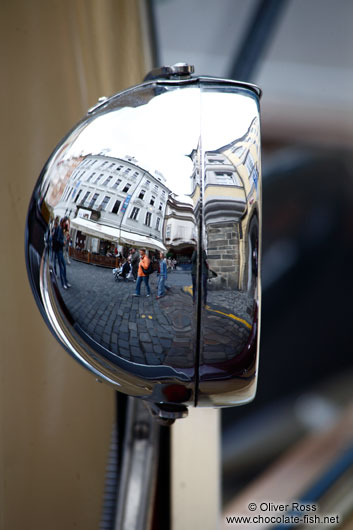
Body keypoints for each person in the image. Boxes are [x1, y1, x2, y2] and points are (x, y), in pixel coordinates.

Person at [52, 218, 71, 289]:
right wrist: (63, 242)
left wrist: (67, 237)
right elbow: (58, 239)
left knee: (64, 267)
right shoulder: (60, 228)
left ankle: (66, 282)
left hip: (61, 250)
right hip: (58, 250)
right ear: (63, 222)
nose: (67, 224)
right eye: (66, 223)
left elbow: (66, 235)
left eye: (67, 223)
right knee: (61, 267)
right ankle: (63, 283)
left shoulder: (63, 228)